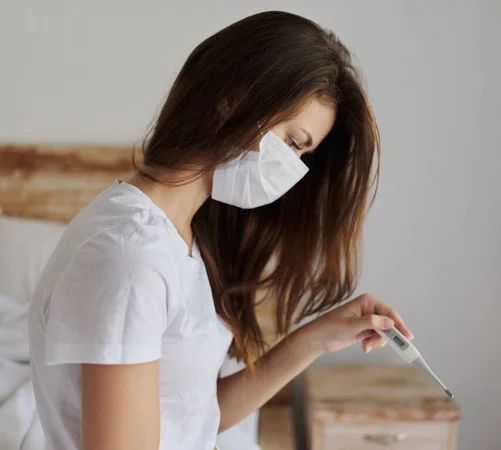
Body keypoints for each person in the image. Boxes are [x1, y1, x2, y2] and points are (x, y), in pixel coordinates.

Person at [28, 10, 413, 450]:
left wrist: (314, 338)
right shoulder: (132, 255)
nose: (292, 170)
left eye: (302, 156)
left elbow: (191, 415)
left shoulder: (177, 237)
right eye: (292, 143)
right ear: (232, 100)